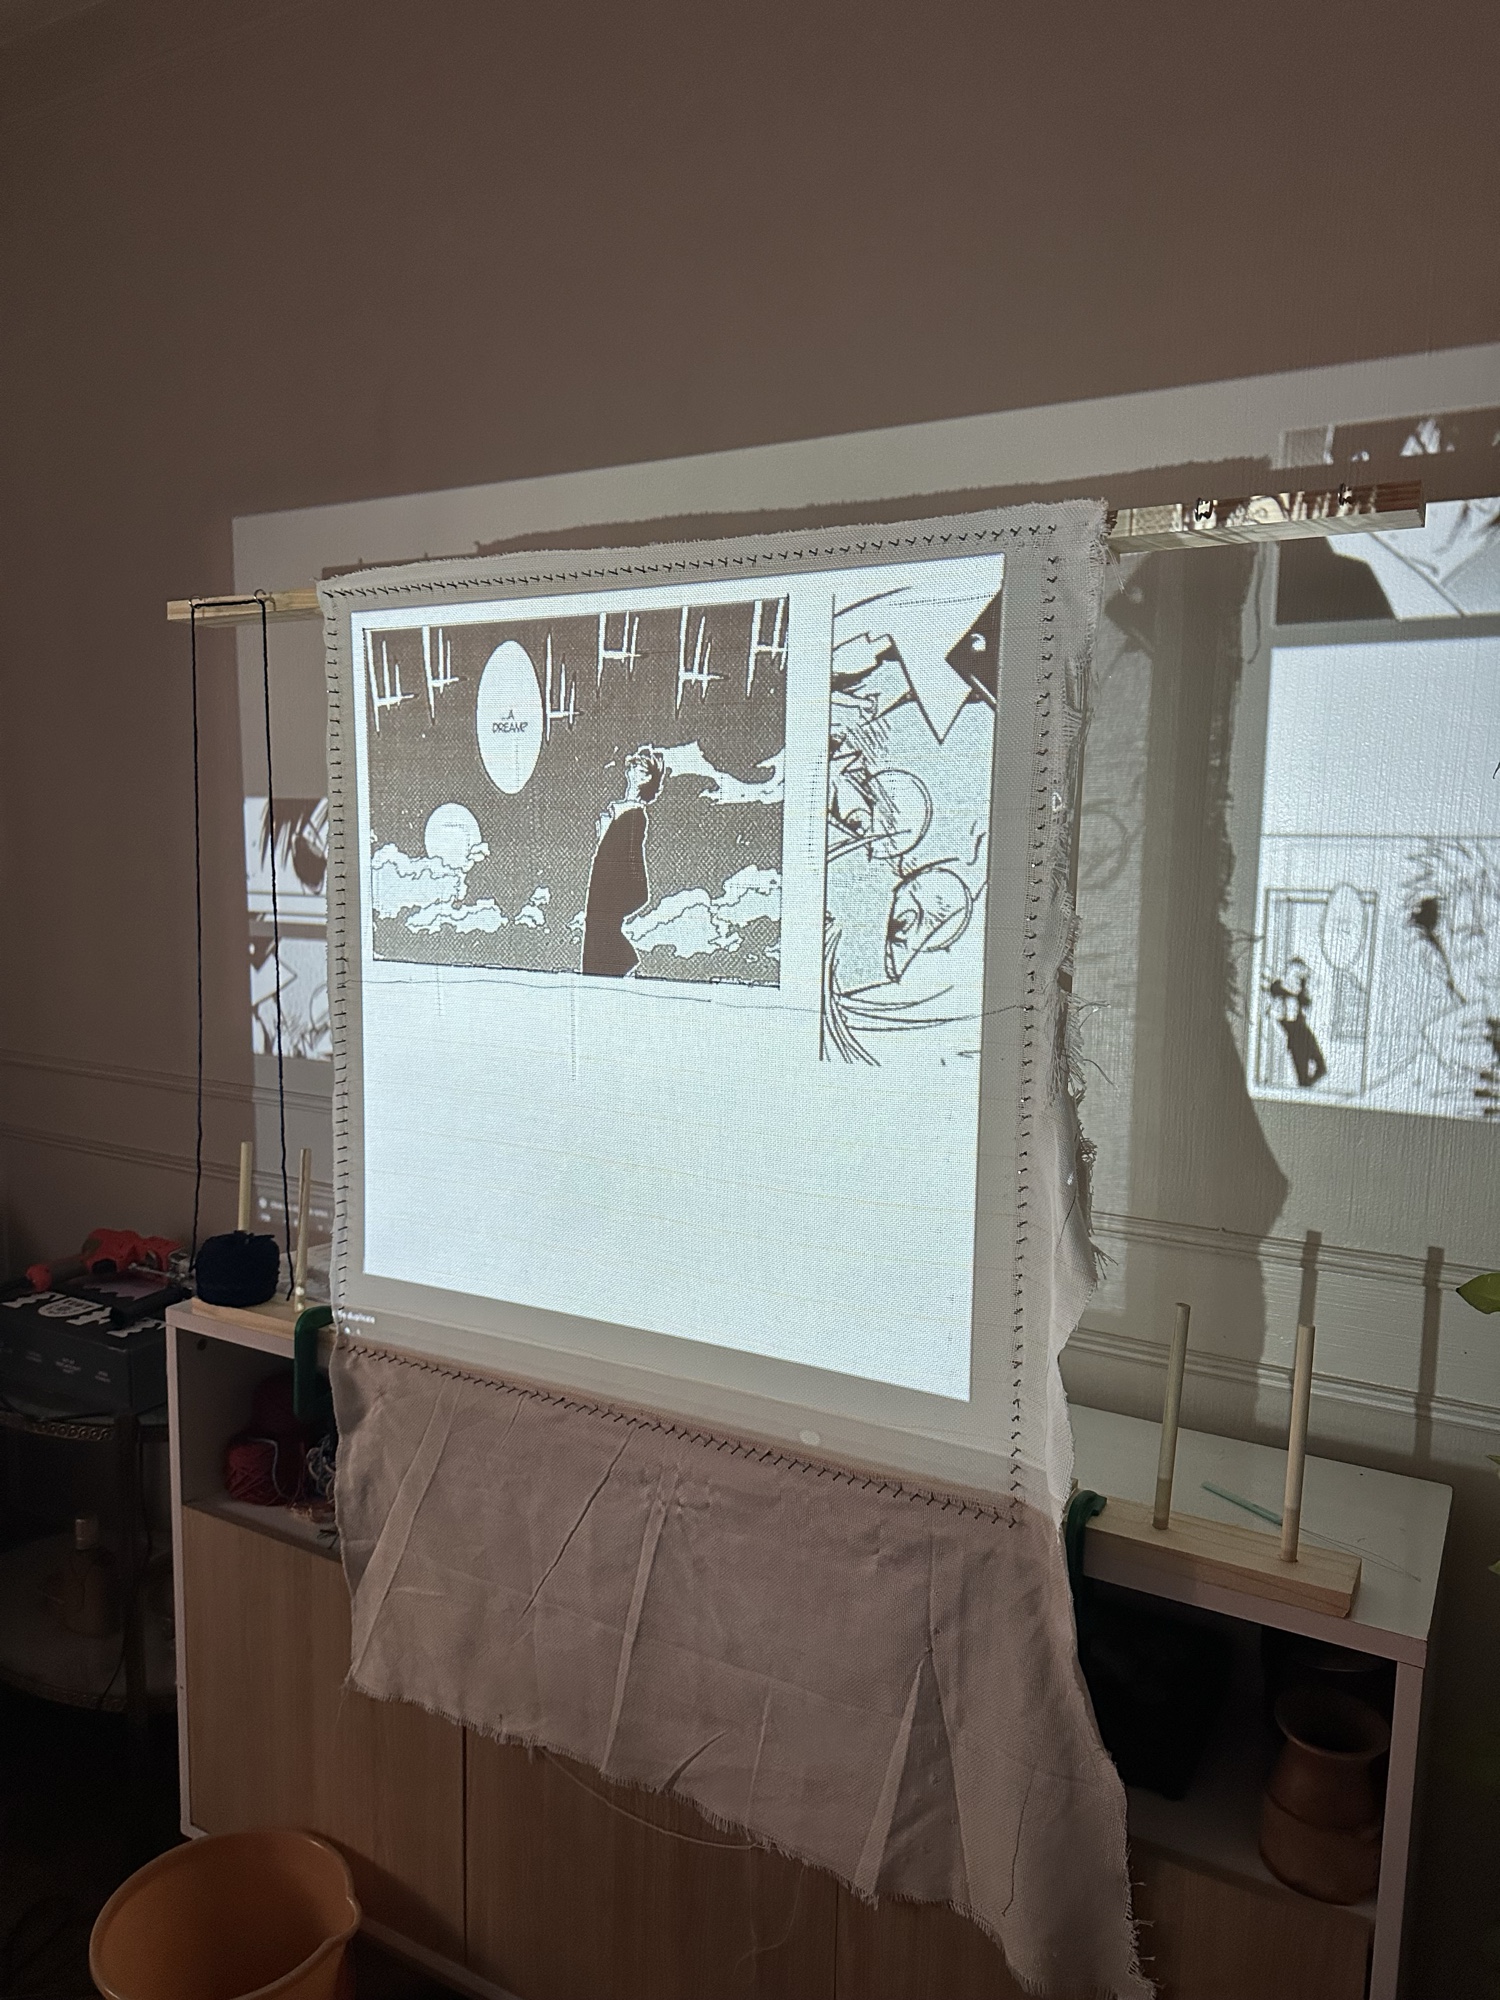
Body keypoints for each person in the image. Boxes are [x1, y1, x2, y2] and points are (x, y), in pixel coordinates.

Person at [581, 747, 665, 976]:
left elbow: (632, 856)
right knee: (594, 928)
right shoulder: (622, 810)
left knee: (600, 927)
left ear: (646, 779)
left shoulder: (636, 815)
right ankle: (612, 970)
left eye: (640, 768)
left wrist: (623, 891)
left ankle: (624, 965)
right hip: (602, 877)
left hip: (612, 884)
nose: (633, 767)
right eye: (635, 765)